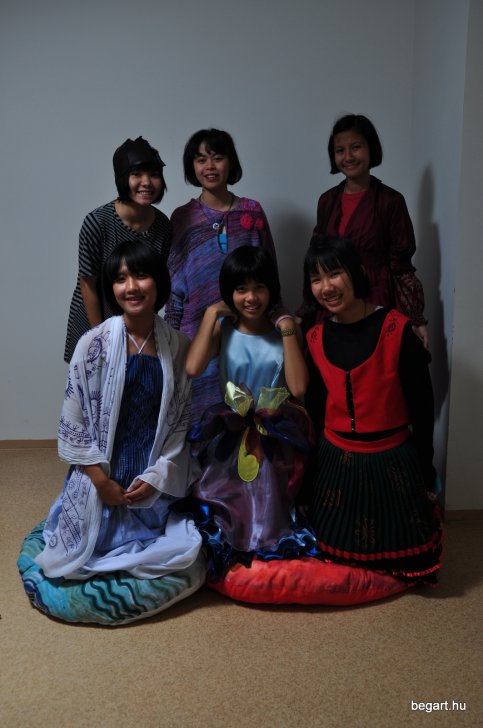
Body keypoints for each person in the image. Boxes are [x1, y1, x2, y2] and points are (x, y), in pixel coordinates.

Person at [36, 240, 201, 580]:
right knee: (76, 557)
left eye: (140, 276)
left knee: (186, 550)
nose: (131, 287)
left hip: (149, 475)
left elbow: (179, 424)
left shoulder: (178, 345)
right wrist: (101, 482)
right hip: (102, 475)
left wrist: (156, 478)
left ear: (158, 281)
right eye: (120, 279)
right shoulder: (92, 344)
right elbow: (73, 422)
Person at [301, 236, 442, 583]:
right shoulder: (314, 338)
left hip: (394, 462)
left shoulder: (397, 329)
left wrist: (425, 469)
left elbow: (422, 407)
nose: (326, 287)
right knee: (333, 555)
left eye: (335, 273)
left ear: (357, 273)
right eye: (316, 279)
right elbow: (315, 412)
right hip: (337, 464)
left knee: (413, 561)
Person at [185, 245, 317, 577]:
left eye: (259, 287)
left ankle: (262, 542)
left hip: (274, 436)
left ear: (271, 288)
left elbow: (299, 388)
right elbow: (192, 367)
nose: (251, 297)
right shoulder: (225, 329)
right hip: (230, 430)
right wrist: (210, 315)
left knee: (268, 501)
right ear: (229, 292)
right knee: (217, 497)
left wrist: (287, 328)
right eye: (241, 288)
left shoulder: (285, 329)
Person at [164, 128, 277, 422]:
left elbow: (269, 274)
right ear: (192, 166)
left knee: (245, 417)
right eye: (201, 159)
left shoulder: (252, 211)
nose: (210, 166)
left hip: (246, 332)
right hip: (196, 333)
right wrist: (170, 340)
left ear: (231, 162)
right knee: (200, 419)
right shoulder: (182, 218)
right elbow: (174, 286)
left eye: (217, 157)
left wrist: (278, 323)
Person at [313, 113, 429, 348]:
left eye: (355, 147)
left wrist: (416, 318)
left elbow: (401, 266)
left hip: (376, 303)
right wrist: (304, 311)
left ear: (370, 148)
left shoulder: (390, 201)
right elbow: (316, 260)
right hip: (333, 304)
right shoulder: (327, 201)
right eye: (340, 150)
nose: (348, 157)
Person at [64, 136, 172, 362]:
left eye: (154, 174)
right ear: (123, 178)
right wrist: (101, 338)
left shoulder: (164, 226)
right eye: (137, 174)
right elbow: (88, 285)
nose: (146, 182)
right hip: (94, 321)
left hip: (137, 323)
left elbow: (156, 284)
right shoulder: (97, 222)